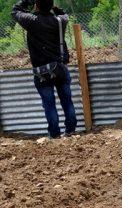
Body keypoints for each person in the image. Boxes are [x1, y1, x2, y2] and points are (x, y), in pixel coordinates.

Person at [11, 0, 77, 138]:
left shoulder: (31, 21)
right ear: (51, 5)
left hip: (42, 72)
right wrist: (54, 8)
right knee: (67, 100)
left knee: (49, 104)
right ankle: (70, 131)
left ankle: (54, 134)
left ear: (36, 5)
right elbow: (65, 14)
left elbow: (15, 11)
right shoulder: (60, 21)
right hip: (60, 68)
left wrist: (26, 1)